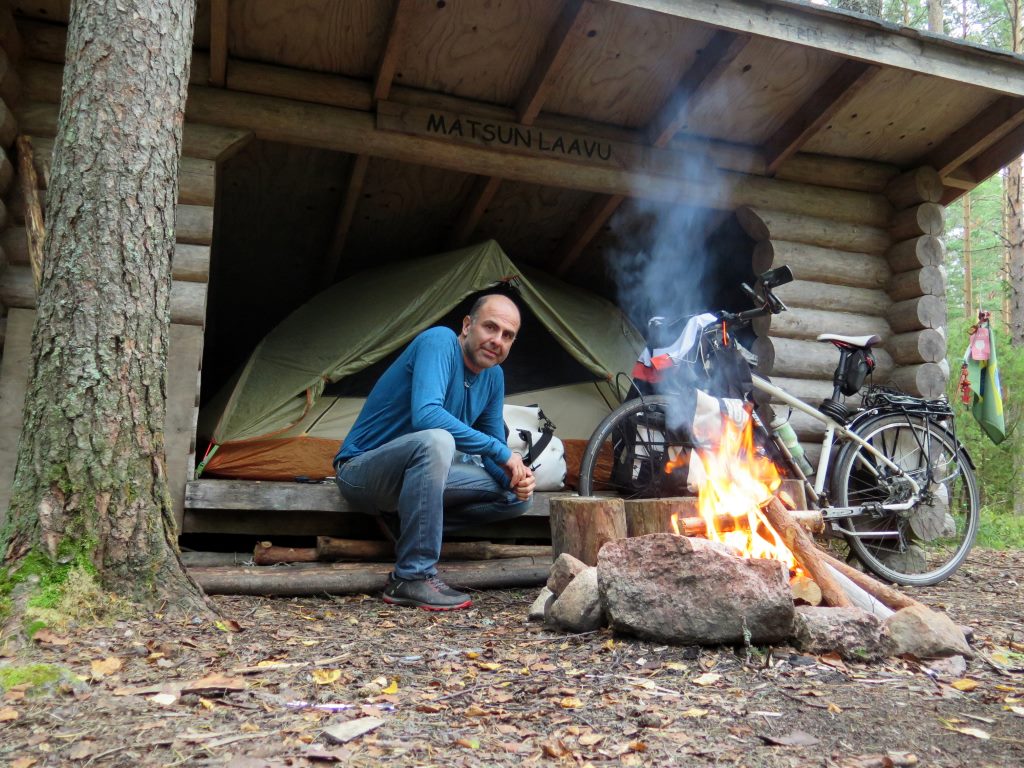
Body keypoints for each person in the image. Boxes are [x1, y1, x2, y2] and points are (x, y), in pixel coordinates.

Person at [333, 293, 535, 610]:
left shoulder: (493, 377)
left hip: (417, 480)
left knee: (516, 496)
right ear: (468, 326)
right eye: (490, 328)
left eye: (507, 336)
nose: (497, 341)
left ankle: (406, 525)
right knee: (437, 440)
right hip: (362, 471)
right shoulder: (440, 342)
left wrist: (515, 474)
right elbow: (426, 415)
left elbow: (492, 446)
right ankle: (411, 576)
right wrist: (501, 451)